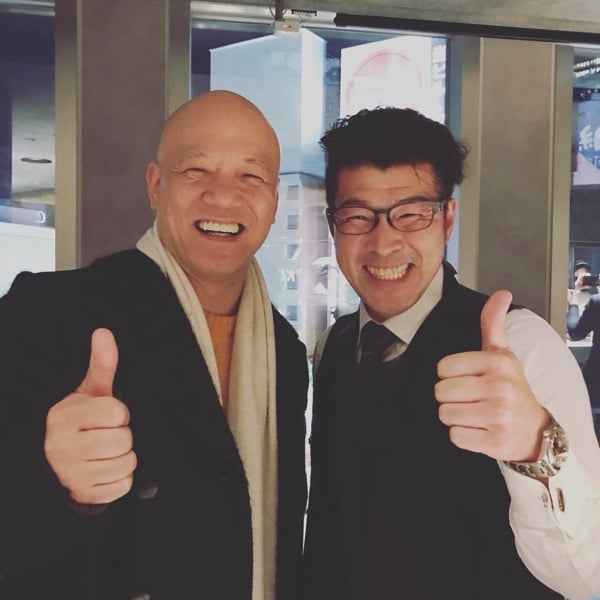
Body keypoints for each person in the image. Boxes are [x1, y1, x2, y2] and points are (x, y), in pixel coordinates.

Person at [0, 90, 309, 600]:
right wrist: (48, 474)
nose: (223, 196)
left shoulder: (285, 352)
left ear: (274, 203)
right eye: (196, 170)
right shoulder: (52, 311)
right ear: (156, 185)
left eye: (251, 176)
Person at [301, 106, 600, 600]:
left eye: (411, 214)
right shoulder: (336, 344)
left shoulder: (520, 345)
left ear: (447, 220)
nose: (384, 242)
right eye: (357, 216)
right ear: (334, 227)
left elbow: (586, 575)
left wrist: (536, 447)